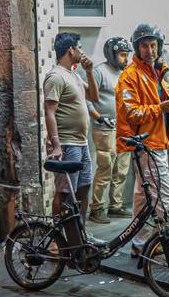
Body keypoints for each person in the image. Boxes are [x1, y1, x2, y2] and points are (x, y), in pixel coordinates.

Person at [116, 23, 169, 259]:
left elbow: (161, 92)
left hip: (155, 143)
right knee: (165, 199)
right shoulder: (130, 76)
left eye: (153, 45)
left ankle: (139, 245)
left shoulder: (153, 72)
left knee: (142, 199)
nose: (149, 50)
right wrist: (161, 108)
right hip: (147, 146)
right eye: (144, 46)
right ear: (136, 48)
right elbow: (132, 113)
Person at [43, 33, 100, 240]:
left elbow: (94, 97)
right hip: (67, 144)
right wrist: (56, 144)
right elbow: (49, 111)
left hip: (81, 143)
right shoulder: (56, 76)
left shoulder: (73, 75)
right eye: (79, 48)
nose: (81, 52)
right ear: (70, 51)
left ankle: (79, 234)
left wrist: (90, 71)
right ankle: (57, 239)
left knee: (83, 188)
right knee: (65, 193)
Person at [87, 36, 131, 224]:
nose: (125, 59)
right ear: (112, 55)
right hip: (104, 129)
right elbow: (87, 100)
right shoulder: (99, 72)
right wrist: (100, 118)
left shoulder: (125, 73)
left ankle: (116, 205)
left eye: (126, 55)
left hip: (123, 128)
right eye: (122, 55)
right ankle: (97, 209)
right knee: (105, 168)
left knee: (121, 169)